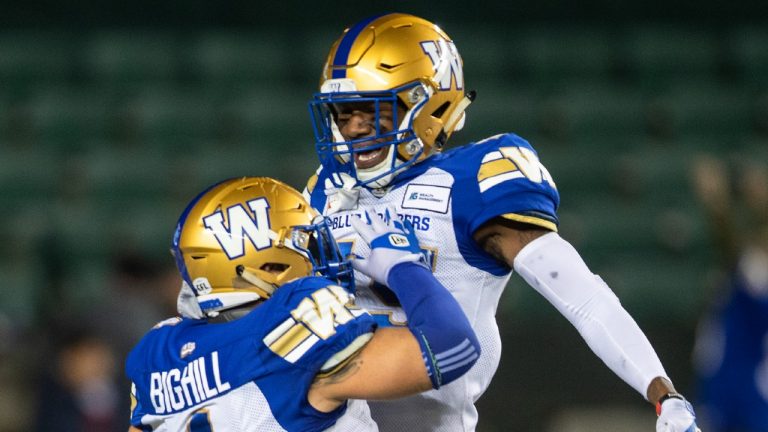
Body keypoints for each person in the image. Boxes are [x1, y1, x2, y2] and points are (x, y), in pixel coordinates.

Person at [304, 12, 700, 432]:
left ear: (429, 105)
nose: (353, 130)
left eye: (371, 112)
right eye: (343, 115)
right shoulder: (327, 190)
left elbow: (583, 296)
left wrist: (663, 394)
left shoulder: (474, 179)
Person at [125, 176, 480, 431]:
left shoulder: (158, 350)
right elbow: (453, 348)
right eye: (307, 247)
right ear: (271, 265)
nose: (319, 258)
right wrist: (405, 268)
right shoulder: (294, 319)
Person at [691, 155, 768, 431]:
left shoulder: (756, 281)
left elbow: (734, 254)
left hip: (749, 396)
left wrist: (717, 205)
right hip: (724, 387)